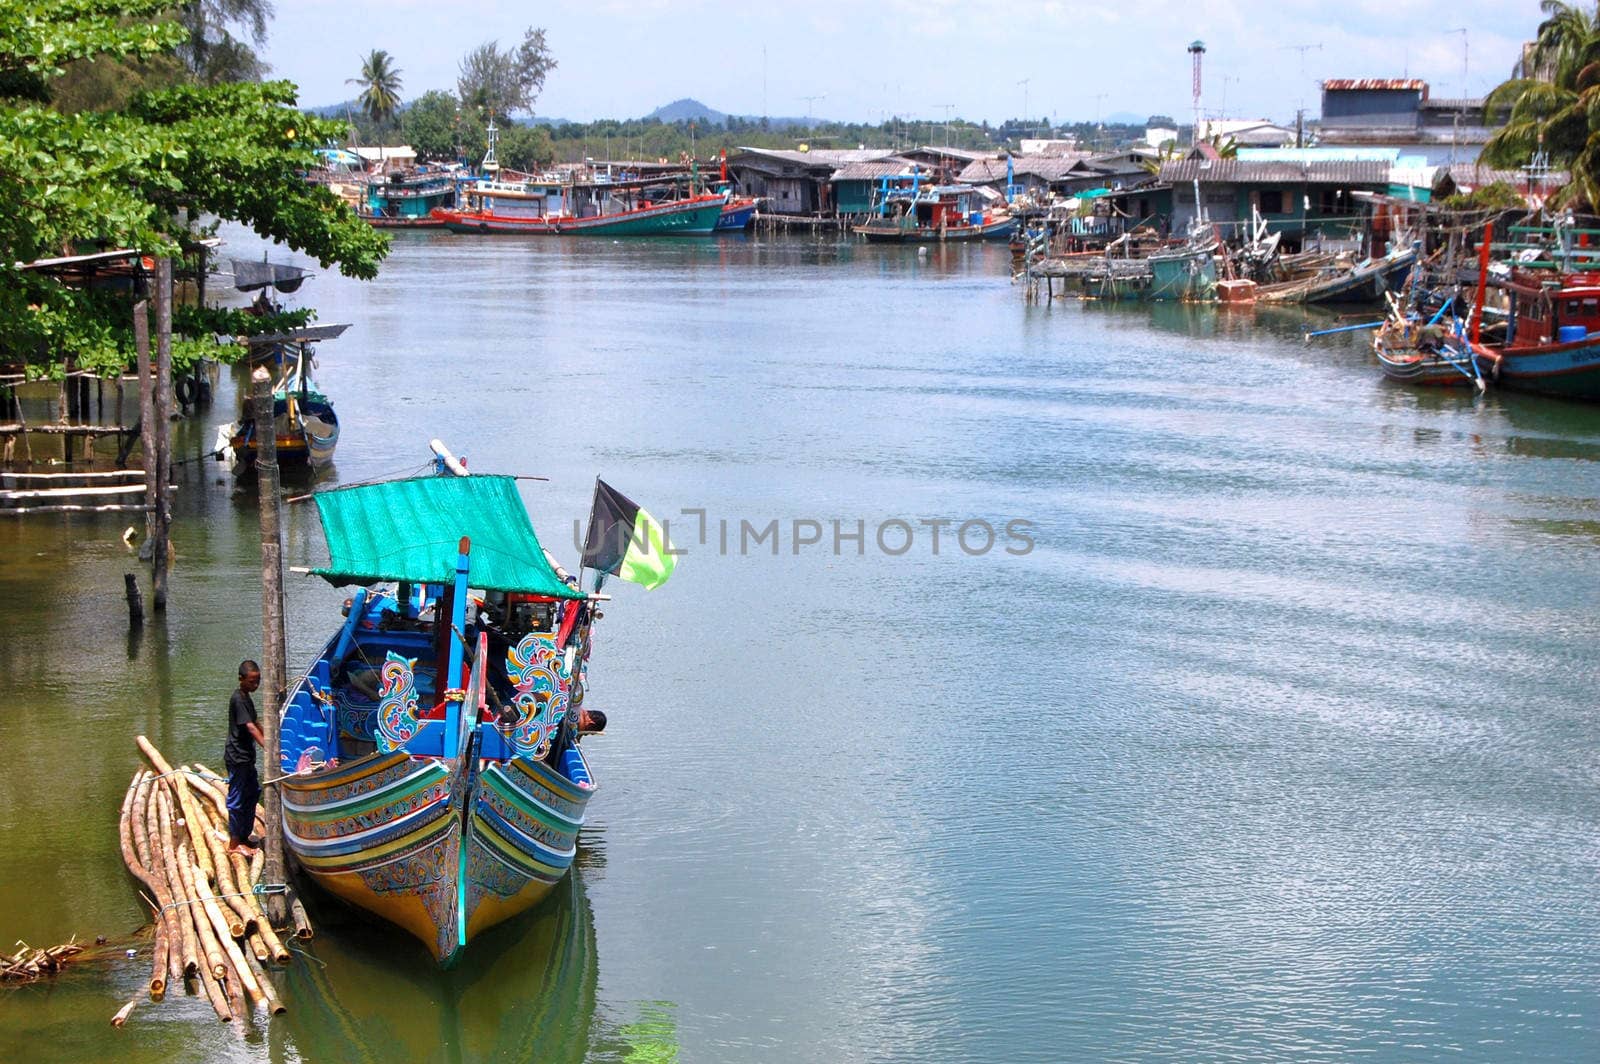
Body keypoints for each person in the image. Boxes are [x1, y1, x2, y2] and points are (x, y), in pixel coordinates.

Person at [225, 660, 265, 857]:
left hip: (246, 757)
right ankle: (234, 844)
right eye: (251, 681)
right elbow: (249, 727)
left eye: (257, 681)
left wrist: (270, 737)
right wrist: (266, 746)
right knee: (238, 798)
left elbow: (255, 721)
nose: (255, 685)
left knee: (253, 793)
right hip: (237, 757)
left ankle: (244, 835)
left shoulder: (246, 697)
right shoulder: (239, 699)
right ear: (241, 679)